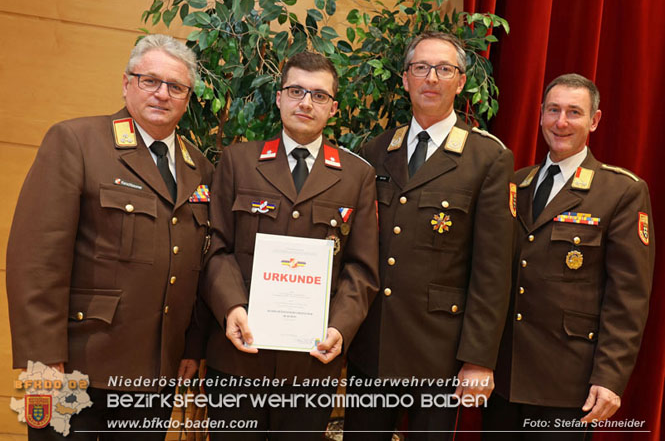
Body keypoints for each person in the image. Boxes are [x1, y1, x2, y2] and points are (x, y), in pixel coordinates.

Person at [6, 34, 214, 440]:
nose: (162, 94)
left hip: (154, 373)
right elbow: (36, 260)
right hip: (76, 365)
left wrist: (192, 347)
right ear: (126, 83)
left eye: (175, 87)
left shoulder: (200, 169)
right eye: (149, 80)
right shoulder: (78, 142)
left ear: (187, 99)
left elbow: (198, 269)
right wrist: (42, 359)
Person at [193, 51, 380, 439]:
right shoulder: (238, 161)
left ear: (334, 108)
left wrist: (340, 328)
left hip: (311, 364)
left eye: (319, 95)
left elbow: (361, 269)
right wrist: (232, 307)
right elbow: (217, 248)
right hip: (238, 358)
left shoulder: (356, 176)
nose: (306, 103)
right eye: (296, 91)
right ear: (279, 98)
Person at [343, 32, 514, 440]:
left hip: (440, 352)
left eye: (444, 69)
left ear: (460, 81)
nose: (431, 78)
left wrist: (477, 360)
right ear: (405, 80)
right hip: (374, 347)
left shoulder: (487, 158)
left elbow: (493, 271)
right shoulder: (376, 150)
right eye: (421, 68)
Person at [484, 73, 655, 440]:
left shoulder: (621, 192)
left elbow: (628, 297)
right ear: (541, 115)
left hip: (568, 381)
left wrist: (609, 378)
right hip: (505, 376)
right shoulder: (517, 184)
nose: (561, 122)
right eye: (553, 110)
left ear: (594, 120)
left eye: (574, 112)